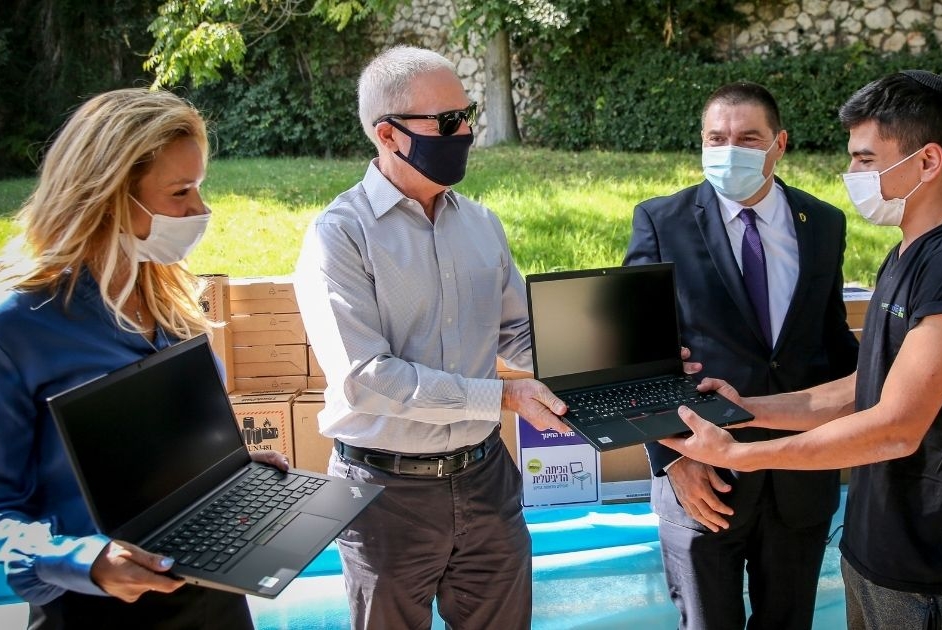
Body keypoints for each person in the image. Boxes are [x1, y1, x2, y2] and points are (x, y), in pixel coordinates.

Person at [662, 70, 942, 630]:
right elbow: (864, 389)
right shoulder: (905, 256)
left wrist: (742, 454)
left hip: (931, 560)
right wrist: (744, 410)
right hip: (876, 546)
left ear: (928, 162)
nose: (852, 174)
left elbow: (896, 426)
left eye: (864, 159)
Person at [292, 45, 570, 630]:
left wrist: (615, 356)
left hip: (486, 479)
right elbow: (366, 379)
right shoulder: (339, 236)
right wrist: (501, 397)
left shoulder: (482, 224)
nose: (464, 132)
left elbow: (517, 333)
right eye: (446, 122)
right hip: (383, 494)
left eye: (467, 115)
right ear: (388, 134)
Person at [0, 88, 288, 628]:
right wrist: (87, 562)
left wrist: (230, 468)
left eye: (199, 187)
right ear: (108, 195)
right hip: (97, 609)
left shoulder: (172, 300)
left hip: (215, 589)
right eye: (180, 192)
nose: (200, 210)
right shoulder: (17, 328)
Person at [624, 81, 859, 629]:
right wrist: (672, 462)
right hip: (703, 477)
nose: (730, 149)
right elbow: (638, 355)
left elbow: (831, 340)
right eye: (717, 138)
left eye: (748, 138)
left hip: (800, 478)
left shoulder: (824, 223)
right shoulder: (662, 221)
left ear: (780, 144)